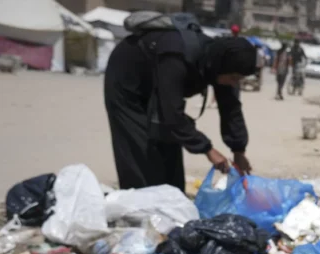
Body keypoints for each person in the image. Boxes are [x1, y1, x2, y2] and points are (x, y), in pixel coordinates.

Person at [104, 30, 255, 190]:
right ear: (222, 66)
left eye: (238, 79)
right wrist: (208, 149)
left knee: (170, 152)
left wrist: (238, 150)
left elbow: (231, 109)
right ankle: (138, 202)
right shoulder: (177, 57)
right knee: (140, 149)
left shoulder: (217, 64)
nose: (234, 83)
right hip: (127, 84)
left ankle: (171, 195)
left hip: (161, 90)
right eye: (233, 78)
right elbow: (171, 115)